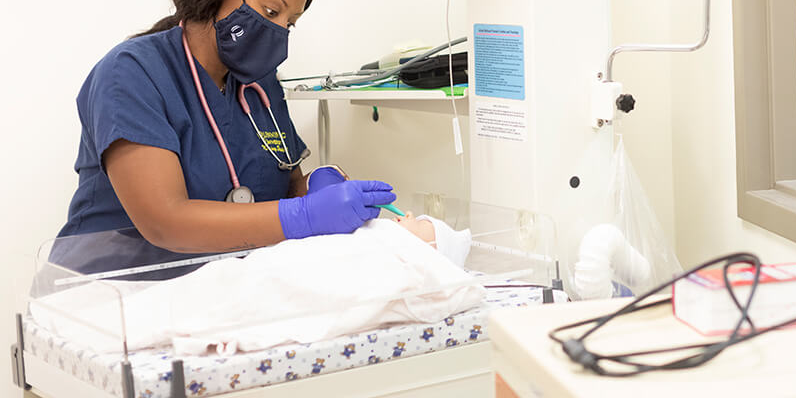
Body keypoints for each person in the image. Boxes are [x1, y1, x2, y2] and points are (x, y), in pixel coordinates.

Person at [57, 0, 395, 259]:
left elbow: (285, 189)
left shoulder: (260, 86)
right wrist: (305, 215)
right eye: (271, 11)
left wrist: (317, 188)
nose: (279, 31)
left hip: (220, 287)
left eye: (289, 23)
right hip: (115, 290)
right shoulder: (132, 73)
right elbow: (165, 222)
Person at [32, 213, 480, 356]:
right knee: (225, 285)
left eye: (421, 223)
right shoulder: (131, 73)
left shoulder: (406, 258)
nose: (404, 219)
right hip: (241, 266)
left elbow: (419, 296)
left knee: (229, 300)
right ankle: (119, 316)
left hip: (281, 278)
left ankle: (130, 323)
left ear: (432, 248)